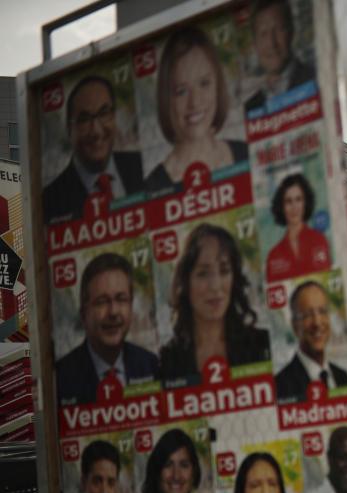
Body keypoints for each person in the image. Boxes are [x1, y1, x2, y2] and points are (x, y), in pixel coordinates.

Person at [159, 224, 270, 380]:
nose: (215, 286)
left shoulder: (262, 344)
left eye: (224, 271)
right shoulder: (168, 359)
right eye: (203, 273)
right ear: (185, 282)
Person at [146, 26, 248, 192]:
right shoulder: (154, 187)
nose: (194, 102)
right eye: (181, 91)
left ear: (217, 86)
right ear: (167, 99)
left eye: (204, 84)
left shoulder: (245, 153)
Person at [55, 253, 159, 405]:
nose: (113, 312)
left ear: (131, 306)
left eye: (121, 299)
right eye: (102, 302)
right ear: (84, 315)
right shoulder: (60, 377)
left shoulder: (150, 365)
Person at [43, 75, 145, 225]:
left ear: (114, 116)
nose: (96, 131)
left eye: (104, 113)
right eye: (84, 120)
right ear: (70, 130)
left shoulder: (141, 166)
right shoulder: (50, 200)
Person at [274, 281, 347, 403]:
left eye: (322, 311)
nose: (317, 322)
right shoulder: (281, 386)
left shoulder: (343, 377)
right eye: (308, 315)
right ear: (294, 326)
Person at [244, 0, 317, 114]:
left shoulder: (314, 78)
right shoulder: (251, 107)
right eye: (263, 34)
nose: (271, 43)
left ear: (292, 30)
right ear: (254, 43)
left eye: (278, 29)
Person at [265, 173, 331, 282]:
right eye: (288, 201)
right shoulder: (274, 256)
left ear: (305, 203)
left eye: (298, 199)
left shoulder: (319, 240)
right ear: (282, 207)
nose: (294, 207)